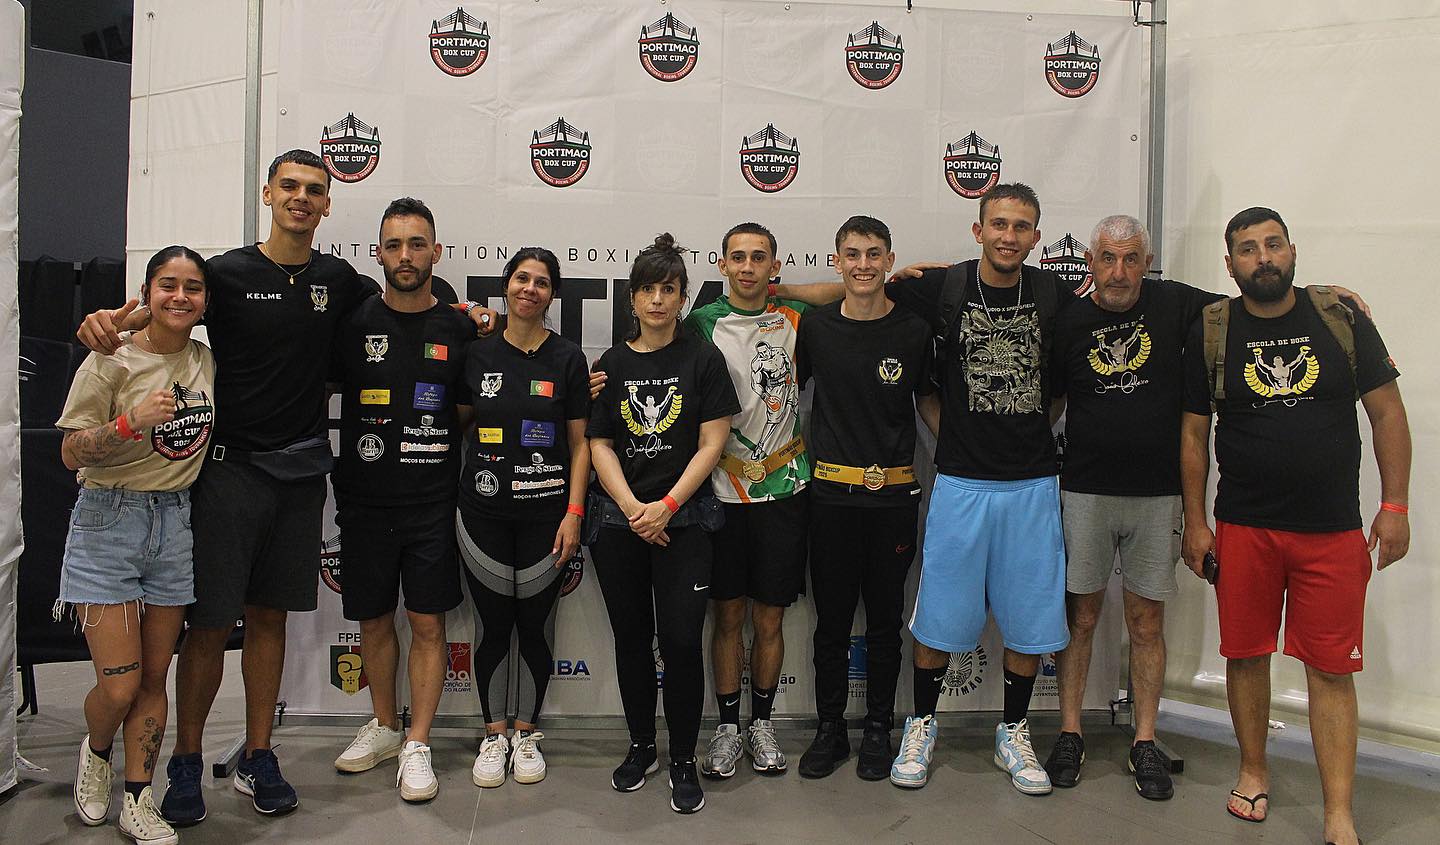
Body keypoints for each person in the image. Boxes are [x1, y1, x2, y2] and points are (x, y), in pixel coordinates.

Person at [74, 150, 496, 823]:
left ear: (328, 204)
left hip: (300, 476)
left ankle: (259, 755)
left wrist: (469, 311)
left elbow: (412, 302)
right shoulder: (225, 274)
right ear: (269, 193)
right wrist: (114, 322)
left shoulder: (341, 281)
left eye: (315, 189)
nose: (302, 197)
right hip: (229, 473)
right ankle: (186, 761)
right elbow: (169, 313)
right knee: (211, 625)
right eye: (290, 186)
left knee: (269, 619)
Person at [1180, 207, 1409, 845]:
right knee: (1245, 655)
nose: (1263, 258)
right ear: (1230, 264)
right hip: (1244, 527)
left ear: (1292, 251)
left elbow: (1387, 413)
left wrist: (1395, 506)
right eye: (1247, 249)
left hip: (1331, 530)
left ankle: (1339, 811)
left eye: (1273, 244)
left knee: (1331, 670)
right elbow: (1193, 433)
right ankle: (1253, 770)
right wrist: (1195, 522)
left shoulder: (1341, 319)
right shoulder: (1213, 329)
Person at [1043, 215, 1221, 800]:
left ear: (1147, 263)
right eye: (1108, 258)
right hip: (1084, 491)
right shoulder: (1068, 319)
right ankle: (1070, 733)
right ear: (1090, 262)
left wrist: (1322, 292)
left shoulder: (1176, 305)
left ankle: (1144, 739)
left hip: (1158, 494)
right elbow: (1051, 401)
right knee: (1081, 619)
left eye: (1130, 259)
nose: (1119, 272)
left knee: (1147, 623)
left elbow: (1251, 303)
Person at [57, 246, 215, 845]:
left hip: (174, 523)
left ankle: (137, 796)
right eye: (167, 284)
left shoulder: (204, 360)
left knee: (154, 678)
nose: (180, 296)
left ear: (205, 302)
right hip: (108, 521)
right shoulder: (110, 360)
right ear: (147, 293)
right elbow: (69, 451)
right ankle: (97, 750)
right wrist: (131, 423)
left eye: (193, 287)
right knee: (119, 686)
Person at [586, 233, 739, 814]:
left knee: (680, 643)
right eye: (648, 289)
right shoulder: (611, 365)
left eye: (669, 290)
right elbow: (599, 443)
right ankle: (641, 747)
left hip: (686, 523)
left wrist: (667, 507)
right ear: (632, 297)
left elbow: (713, 442)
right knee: (631, 640)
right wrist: (634, 509)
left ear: (682, 298)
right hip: (620, 525)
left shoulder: (703, 359)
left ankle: (681, 759)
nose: (657, 300)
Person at [328, 197, 474, 803]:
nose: (405, 256)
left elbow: (469, 411)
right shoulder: (352, 323)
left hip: (432, 500)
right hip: (363, 500)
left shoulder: (460, 328)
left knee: (427, 622)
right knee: (372, 619)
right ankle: (385, 725)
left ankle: (417, 742)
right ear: (378, 253)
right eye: (394, 245)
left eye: (417, 244)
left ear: (436, 251)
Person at [794, 216, 938, 782]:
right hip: (829, 498)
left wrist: (963, 457)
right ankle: (829, 729)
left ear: (889, 261)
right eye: (852, 254)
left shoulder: (914, 330)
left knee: (884, 622)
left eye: (874, 254)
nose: (862, 265)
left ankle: (879, 728)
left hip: (893, 500)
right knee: (830, 624)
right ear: (836, 262)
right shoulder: (815, 328)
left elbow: (929, 404)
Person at [457, 247, 591, 790]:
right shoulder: (477, 354)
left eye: (541, 282)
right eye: (521, 278)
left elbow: (580, 446)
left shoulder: (568, 358)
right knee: (492, 627)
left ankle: (527, 734)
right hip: (482, 515)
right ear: (505, 286)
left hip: (547, 519)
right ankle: (494, 735)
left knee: (535, 626)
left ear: (553, 294)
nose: (529, 289)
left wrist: (574, 512)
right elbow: (457, 425)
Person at [683, 222, 810, 778]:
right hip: (720, 491)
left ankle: (763, 723)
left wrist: (892, 278)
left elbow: (851, 290)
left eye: (759, 257)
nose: (748, 267)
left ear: (774, 266)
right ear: (722, 264)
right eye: (738, 257)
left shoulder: (795, 316)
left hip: (785, 489)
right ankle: (729, 728)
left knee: (770, 617)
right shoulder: (699, 324)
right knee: (728, 615)